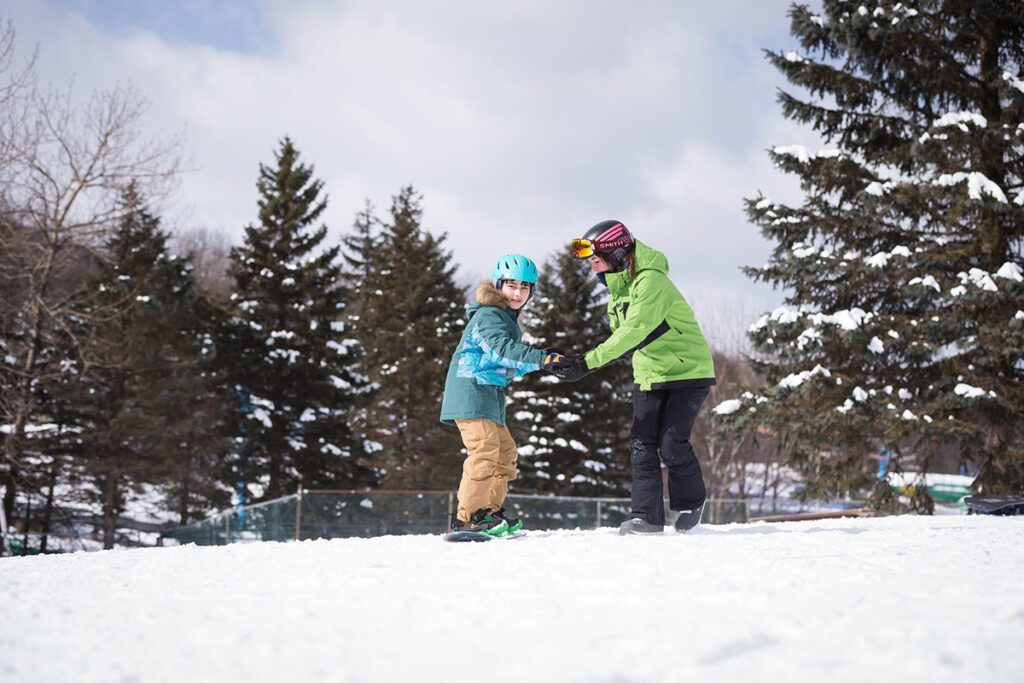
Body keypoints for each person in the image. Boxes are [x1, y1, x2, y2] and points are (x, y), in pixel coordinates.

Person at [552, 220, 716, 535]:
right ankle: (647, 517)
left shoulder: (651, 282)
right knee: (641, 443)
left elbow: (633, 331)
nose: (591, 268)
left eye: (595, 260)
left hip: (688, 371)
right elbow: (625, 340)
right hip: (649, 374)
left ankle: (691, 501)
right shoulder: (618, 291)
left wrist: (586, 363)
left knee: (671, 443)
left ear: (616, 253)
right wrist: (575, 360)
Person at [440, 253, 563, 536]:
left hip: (488, 396)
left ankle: (489, 512)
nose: (518, 292)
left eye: (525, 287)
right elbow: (501, 350)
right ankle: (468, 518)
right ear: (498, 285)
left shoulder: (506, 318)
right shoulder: (489, 315)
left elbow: (507, 364)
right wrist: (544, 358)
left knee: (505, 454)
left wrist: (546, 363)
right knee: (483, 451)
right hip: (471, 392)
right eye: (512, 285)